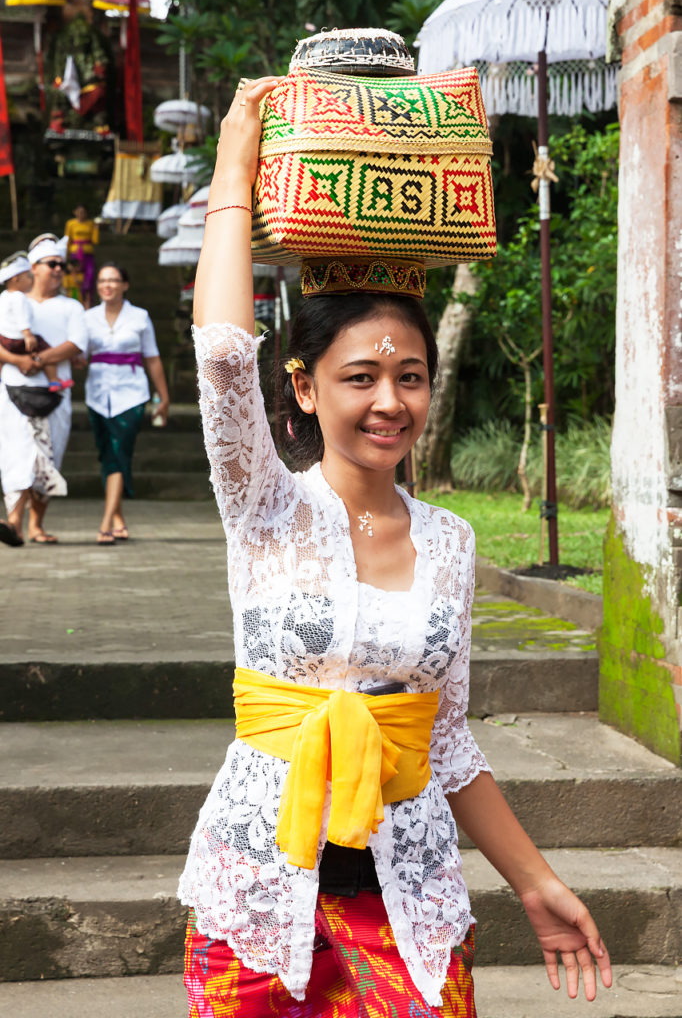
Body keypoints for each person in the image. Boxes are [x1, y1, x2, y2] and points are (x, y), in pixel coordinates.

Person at [178, 77, 613, 1017]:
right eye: (361, 377)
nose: (390, 402)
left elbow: (447, 740)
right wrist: (235, 162)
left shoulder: (452, 544)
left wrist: (535, 885)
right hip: (259, 887)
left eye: (409, 377)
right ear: (302, 388)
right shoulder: (264, 508)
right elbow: (220, 355)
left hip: (408, 891)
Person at [84, 262, 170, 545]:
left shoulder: (140, 317)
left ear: (125, 285)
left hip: (131, 395)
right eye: (102, 280)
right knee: (106, 454)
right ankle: (119, 519)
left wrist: (163, 396)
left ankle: (106, 522)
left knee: (120, 454)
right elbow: (79, 354)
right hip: (97, 394)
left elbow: (153, 357)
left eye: (113, 280)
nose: (107, 285)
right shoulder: (87, 318)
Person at [21, 233, 89, 544]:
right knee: (17, 455)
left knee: (49, 459)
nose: (59, 269)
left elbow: (76, 345)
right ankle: (13, 520)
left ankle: (35, 524)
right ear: (34, 267)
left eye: (62, 264)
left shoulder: (71, 306)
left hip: (55, 393)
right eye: (53, 264)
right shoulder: (12, 302)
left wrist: (39, 358)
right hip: (14, 390)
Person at [0, 251, 73, 393]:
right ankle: (54, 380)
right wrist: (27, 334)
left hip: (4, 339)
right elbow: (22, 318)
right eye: (28, 277)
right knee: (44, 348)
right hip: (19, 339)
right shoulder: (19, 297)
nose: (31, 280)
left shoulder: (3, 296)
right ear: (16, 279)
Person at [64, 205, 99, 308]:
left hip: (87, 254)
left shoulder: (90, 223)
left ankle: (87, 305)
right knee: (73, 277)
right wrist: (66, 255)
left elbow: (95, 241)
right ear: (74, 212)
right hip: (75, 253)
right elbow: (68, 240)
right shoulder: (70, 223)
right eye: (79, 211)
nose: (81, 214)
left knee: (89, 278)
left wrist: (96, 229)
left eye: (83, 212)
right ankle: (72, 303)